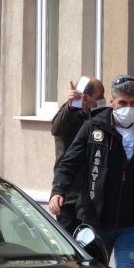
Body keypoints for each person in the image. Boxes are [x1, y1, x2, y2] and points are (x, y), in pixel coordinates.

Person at [49, 75, 134, 268]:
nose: (128, 108)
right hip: (96, 220)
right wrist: (57, 191)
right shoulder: (94, 126)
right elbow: (69, 163)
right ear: (112, 102)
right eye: (123, 103)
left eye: (133, 103)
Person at [50, 76, 105, 232]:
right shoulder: (70, 113)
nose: (103, 100)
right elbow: (56, 129)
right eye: (100, 97)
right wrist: (71, 107)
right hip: (70, 196)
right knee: (68, 241)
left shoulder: (98, 116)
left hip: (92, 196)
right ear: (86, 98)